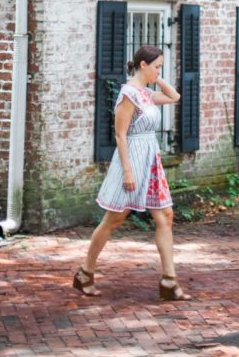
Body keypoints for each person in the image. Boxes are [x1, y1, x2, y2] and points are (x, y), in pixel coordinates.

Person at [73, 44, 191, 300]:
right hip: (132, 159)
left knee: (166, 216)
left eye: (161, 67)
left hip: (151, 159)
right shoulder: (129, 94)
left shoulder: (146, 93)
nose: (159, 70)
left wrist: (157, 77)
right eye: (156, 66)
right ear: (143, 65)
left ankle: (169, 280)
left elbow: (174, 97)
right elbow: (120, 134)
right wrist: (127, 171)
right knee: (114, 219)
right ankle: (85, 273)